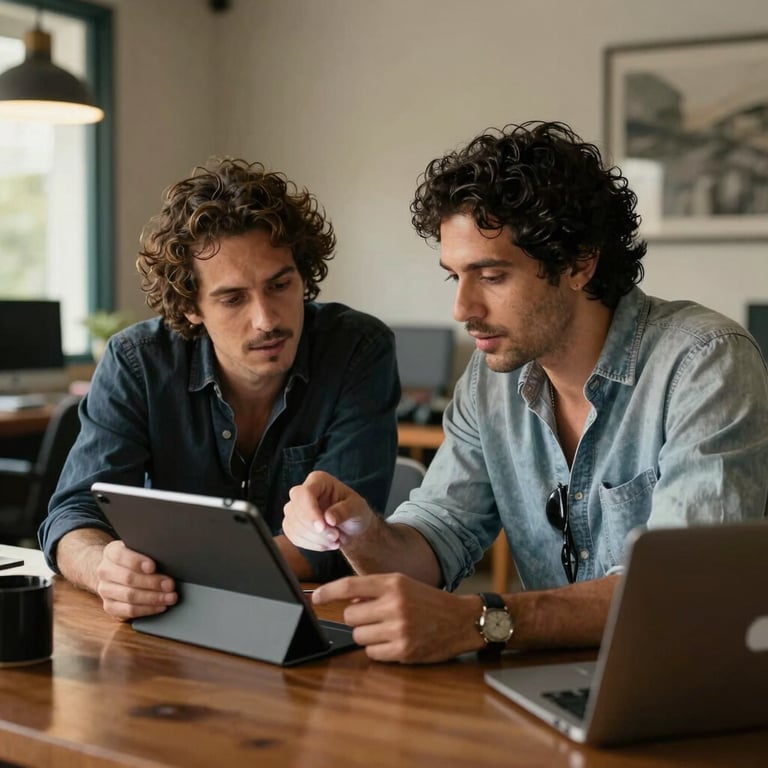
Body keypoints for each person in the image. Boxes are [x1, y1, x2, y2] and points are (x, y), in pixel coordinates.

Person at [283, 121, 768, 664]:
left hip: (687, 687)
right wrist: (359, 530)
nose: (462, 310)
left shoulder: (705, 361)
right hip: (550, 686)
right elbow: (438, 537)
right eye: (455, 277)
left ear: (580, 262)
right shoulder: (490, 381)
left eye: (491, 276)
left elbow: (685, 589)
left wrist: (483, 620)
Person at [40, 158, 400, 620]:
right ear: (191, 307)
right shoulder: (139, 361)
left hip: (316, 619)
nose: (267, 320)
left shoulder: (357, 349)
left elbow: (339, 540)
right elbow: (73, 513)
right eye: (232, 298)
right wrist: (102, 568)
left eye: (280, 285)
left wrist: (180, 576)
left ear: (302, 275)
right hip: (171, 618)